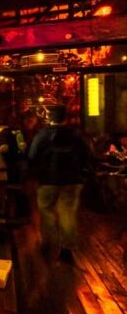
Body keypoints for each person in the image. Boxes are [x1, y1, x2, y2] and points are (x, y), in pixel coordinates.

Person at [28, 105, 91, 263]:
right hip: (72, 180)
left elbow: (32, 156)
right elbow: (87, 155)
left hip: (47, 180)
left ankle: (49, 243)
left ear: (50, 117)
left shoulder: (42, 135)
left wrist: (35, 174)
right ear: (65, 118)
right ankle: (66, 249)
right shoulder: (75, 135)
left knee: (46, 211)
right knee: (67, 213)